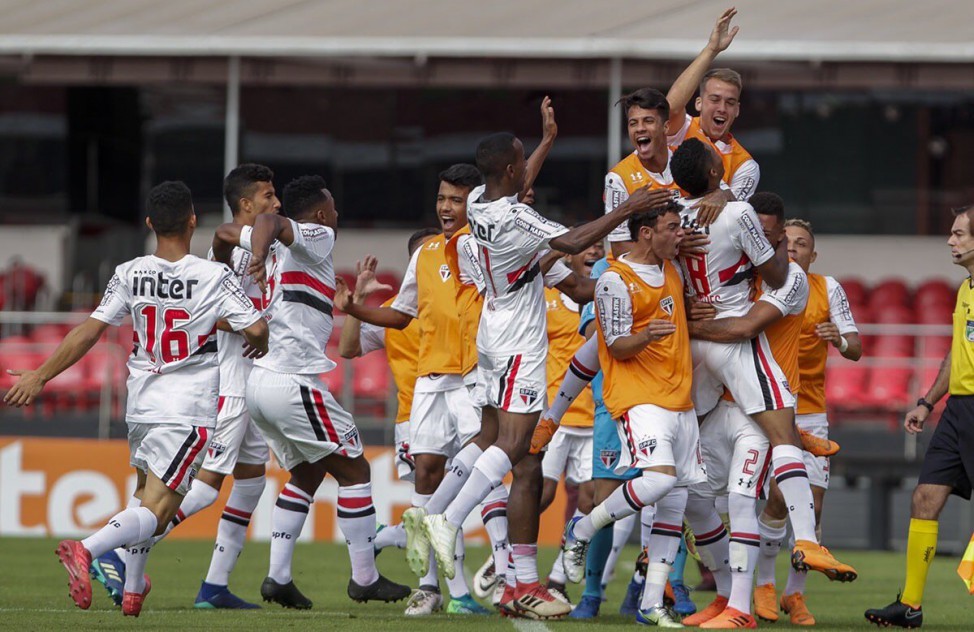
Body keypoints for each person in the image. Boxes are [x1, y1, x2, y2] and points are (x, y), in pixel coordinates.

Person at [421, 131, 672, 620]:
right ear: (511, 173)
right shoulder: (518, 217)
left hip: (493, 335)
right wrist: (629, 208)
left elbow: (518, 183)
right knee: (518, 447)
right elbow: (573, 240)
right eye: (522, 163)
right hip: (518, 343)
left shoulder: (478, 201)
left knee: (514, 453)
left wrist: (547, 141)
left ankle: (521, 584)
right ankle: (446, 520)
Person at [5, 181, 268, 617]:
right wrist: (243, 331)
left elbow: (90, 329)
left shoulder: (129, 271)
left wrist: (41, 375)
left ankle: (132, 590)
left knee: (145, 493)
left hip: (141, 401)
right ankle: (87, 549)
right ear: (192, 221)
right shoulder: (213, 275)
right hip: (187, 405)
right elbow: (257, 329)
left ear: (149, 224)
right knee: (162, 508)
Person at [213, 175, 411, 609]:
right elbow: (270, 220)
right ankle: (365, 576)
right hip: (293, 380)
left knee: (306, 473)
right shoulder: (317, 236)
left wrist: (233, 265)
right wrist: (260, 253)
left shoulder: (281, 247)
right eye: (334, 208)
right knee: (356, 470)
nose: (337, 216)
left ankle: (278, 577)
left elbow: (225, 232)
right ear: (321, 214)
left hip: (261, 383)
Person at [669, 138, 856, 589]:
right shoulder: (738, 217)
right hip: (730, 340)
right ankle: (807, 539)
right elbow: (773, 276)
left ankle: (695, 568)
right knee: (779, 434)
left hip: (687, 344)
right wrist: (754, 240)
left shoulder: (670, 216)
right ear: (715, 175)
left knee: (678, 465)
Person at [335, 164, 494, 616]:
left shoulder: (485, 249)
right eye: (442, 198)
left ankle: (502, 571)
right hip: (431, 379)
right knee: (427, 469)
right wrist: (357, 310)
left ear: (475, 204)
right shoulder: (425, 255)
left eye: (456, 199)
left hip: (472, 376)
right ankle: (430, 587)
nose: (446, 207)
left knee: (487, 467)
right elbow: (402, 314)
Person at [559, 201, 704, 628]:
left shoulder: (671, 268)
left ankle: (651, 603)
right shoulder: (614, 279)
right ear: (645, 233)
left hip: (680, 400)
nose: (679, 235)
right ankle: (581, 530)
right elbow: (615, 346)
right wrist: (647, 335)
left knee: (672, 505)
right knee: (657, 480)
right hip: (638, 398)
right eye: (672, 228)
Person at [680, 192, 808, 629]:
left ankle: (742, 607)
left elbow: (743, 328)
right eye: (757, 236)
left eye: (772, 240)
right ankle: (722, 596)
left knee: (740, 501)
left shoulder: (792, 281)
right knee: (694, 499)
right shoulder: (733, 275)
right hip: (720, 409)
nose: (761, 246)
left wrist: (686, 325)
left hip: (757, 412)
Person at [864, 205, 974, 628]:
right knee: (925, 498)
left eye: (959, 234)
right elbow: (956, 353)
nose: (950, 240)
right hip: (957, 410)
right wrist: (927, 402)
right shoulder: (966, 289)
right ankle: (910, 606)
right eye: (951, 233)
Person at [755, 218, 861, 626]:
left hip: (811, 409)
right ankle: (763, 584)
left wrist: (839, 338)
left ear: (813, 255)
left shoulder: (827, 288)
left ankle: (793, 595)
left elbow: (857, 348)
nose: (794, 248)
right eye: (788, 241)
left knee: (811, 509)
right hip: (764, 405)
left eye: (802, 244)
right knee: (778, 499)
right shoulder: (760, 284)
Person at [338, 231, 439, 486]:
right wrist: (358, 300)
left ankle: (396, 530)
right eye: (428, 255)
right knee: (427, 504)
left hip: (459, 414)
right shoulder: (393, 312)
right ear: (414, 263)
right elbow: (348, 349)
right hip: (412, 421)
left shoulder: (466, 304)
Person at [538, 241, 604, 605]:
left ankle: (559, 578)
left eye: (600, 246)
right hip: (556, 417)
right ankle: (509, 566)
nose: (594, 252)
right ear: (570, 255)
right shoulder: (549, 299)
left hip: (594, 415)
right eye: (587, 247)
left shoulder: (606, 295)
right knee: (543, 494)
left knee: (591, 498)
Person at [666, 7, 758, 202]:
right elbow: (670, 108)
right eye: (714, 99)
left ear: (737, 110)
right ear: (698, 103)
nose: (722, 108)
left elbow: (735, 209)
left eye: (730, 102)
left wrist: (723, 196)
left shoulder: (745, 164)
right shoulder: (682, 127)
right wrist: (711, 49)